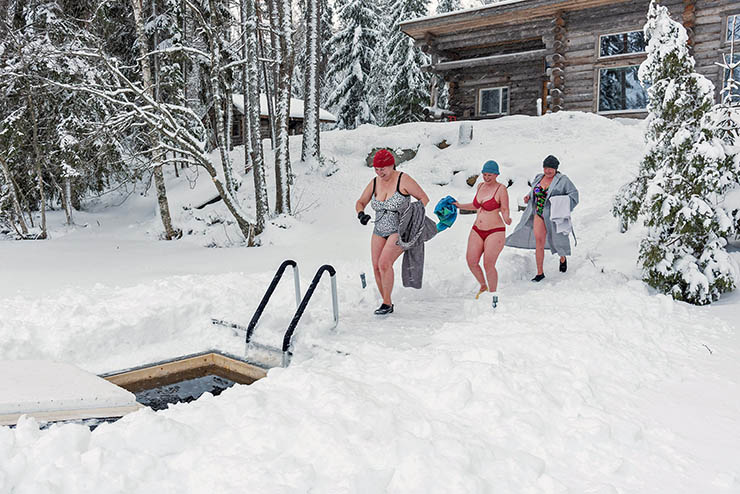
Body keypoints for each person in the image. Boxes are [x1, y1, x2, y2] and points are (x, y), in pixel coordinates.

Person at [356, 149, 429, 315]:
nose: (379, 172)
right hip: (379, 229)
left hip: (399, 230)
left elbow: (424, 199)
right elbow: (361, 201)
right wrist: (361, 214)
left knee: (384, 263)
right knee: (376, 267)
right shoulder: (374, 182)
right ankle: (386, 302)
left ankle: (387, 303)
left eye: (382, 169)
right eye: (376, 169)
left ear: (391, 165)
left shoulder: (403, 179)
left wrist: (412, 217)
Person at [506, 155, 579, 282]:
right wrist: (529, 196)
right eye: (546, 168)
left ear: (556, 168)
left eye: (551, 168)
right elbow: (534, 190)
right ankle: (540, 273)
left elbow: (574, 195)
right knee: (539, 241)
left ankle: (562, 257)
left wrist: (560, 204)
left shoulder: (563, 180)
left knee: (557, 239)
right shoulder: (538, 177)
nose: (548, 171)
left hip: (554, 215)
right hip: (538, 213)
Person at [453, 160, 511, 309]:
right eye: (484, 174)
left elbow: (504, 208)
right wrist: (460, 205)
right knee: (471, 261)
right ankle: (483, 286)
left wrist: (507, 218)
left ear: (496, 174)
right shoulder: (480, 186)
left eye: (489, 175)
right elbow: (476, 205)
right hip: (477, 229)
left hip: (495, 230)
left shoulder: (501, 189)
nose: (486, 177)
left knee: (488, 264)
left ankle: (493, 295)